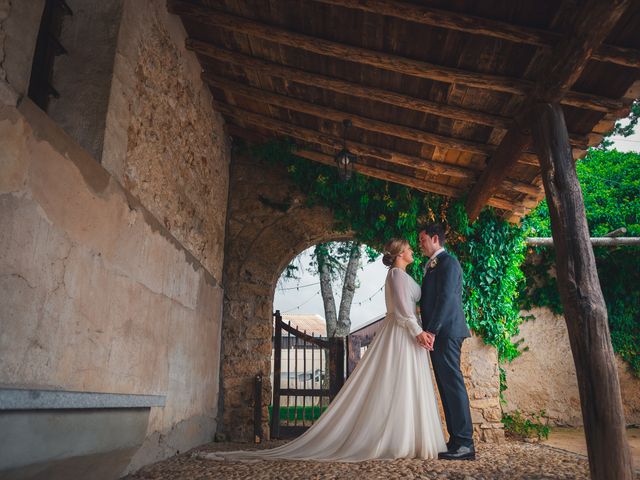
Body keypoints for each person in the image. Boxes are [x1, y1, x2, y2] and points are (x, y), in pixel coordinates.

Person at [200, 238, 446, 462]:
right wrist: (418, 332)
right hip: (403, 333)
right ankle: (396, 439)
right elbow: (403, 310)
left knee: (405, 384)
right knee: (397, 383)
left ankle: (405, 436)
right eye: (410, 248)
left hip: (407, 332)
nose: (414, 249)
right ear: (401, 252)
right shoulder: (396, 275)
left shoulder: (402, 274)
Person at [418, 223, 475, 461]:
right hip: (439, 334)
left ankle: (465, 444)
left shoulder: (448, 263)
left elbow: (447, 299)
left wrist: (431, 330)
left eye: (422, 240)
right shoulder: (433, 266)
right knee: (445, 385)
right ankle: (455, 441)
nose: (419, 244)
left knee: (453, 384)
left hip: (447, 332)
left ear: (435, 239)